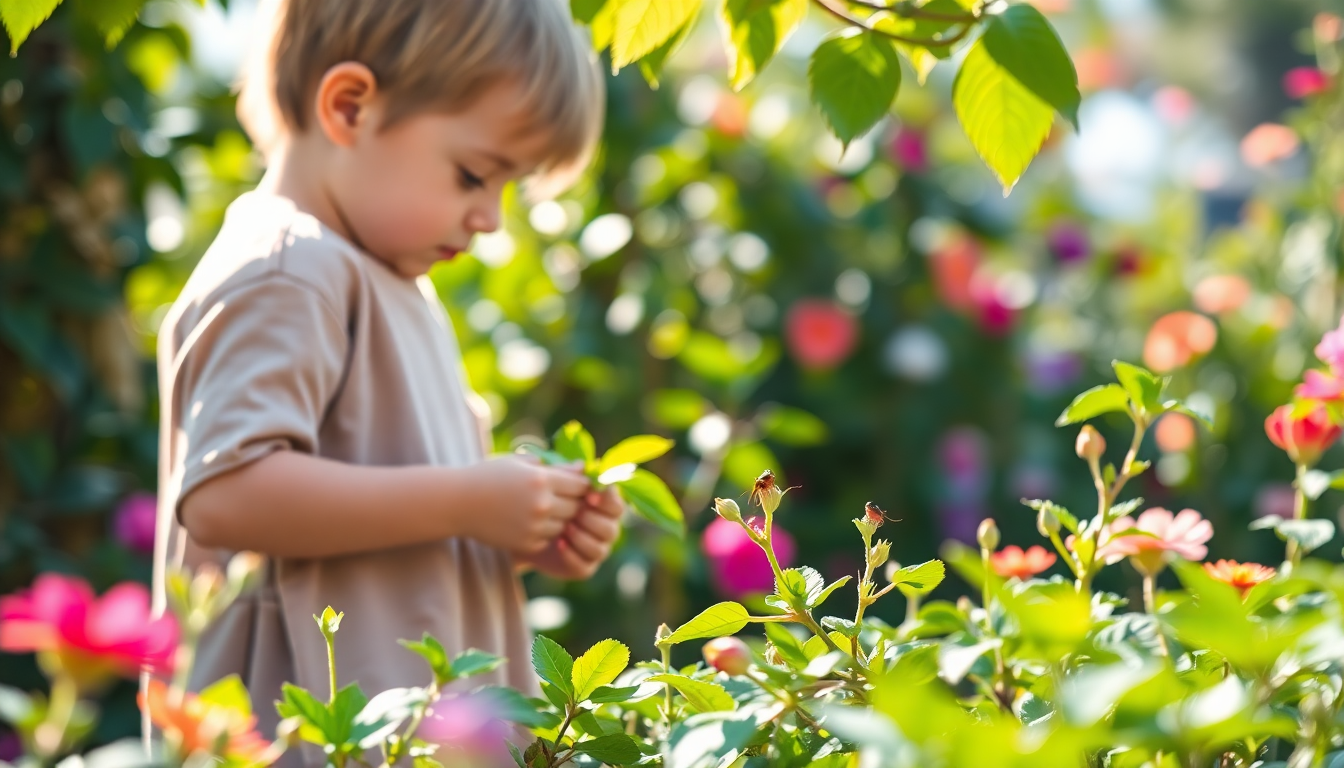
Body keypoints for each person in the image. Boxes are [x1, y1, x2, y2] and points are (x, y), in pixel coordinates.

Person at [149, 0, 611, 760]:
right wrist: (469, 500)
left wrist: (518, 532)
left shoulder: (386, 282)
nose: (491, 219)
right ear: (350, 107)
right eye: (473, 175)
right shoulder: (288, 270)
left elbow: (390, 515)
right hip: (299, 736)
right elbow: (228, 497)